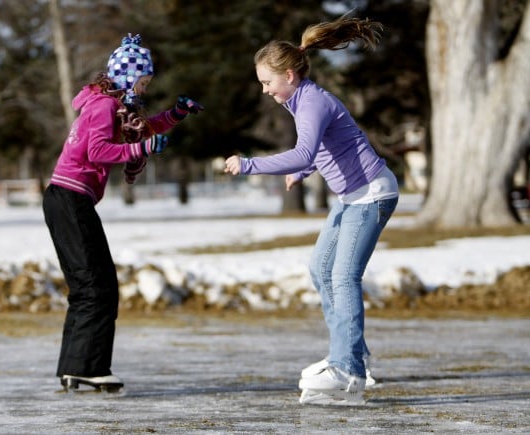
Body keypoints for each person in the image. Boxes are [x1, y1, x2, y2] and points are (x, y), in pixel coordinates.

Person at [224, 15, 398, 405]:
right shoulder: (299, 99)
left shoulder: (311, 102)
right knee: (321, 269)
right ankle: (355, 358)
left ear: (288, 74)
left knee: (343, 276)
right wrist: (303, 170)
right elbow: (322, 147)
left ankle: (347, 369)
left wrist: (250, 164)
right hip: (352, 195)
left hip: (372, 193)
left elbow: (305, 148)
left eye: (267, 83)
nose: (265, 91)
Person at [43, 33, 203, 392]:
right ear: (129, 78)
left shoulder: (112, 108)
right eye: (143, 82)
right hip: (69, 198)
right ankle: (89, 367)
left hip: (67, 198)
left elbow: (145, 128)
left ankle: (75, 366)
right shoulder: (101, 107)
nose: (145, 90)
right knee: (98, 286)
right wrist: (139, 149)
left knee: (90, 286)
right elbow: (98, 151)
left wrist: (176, 114)